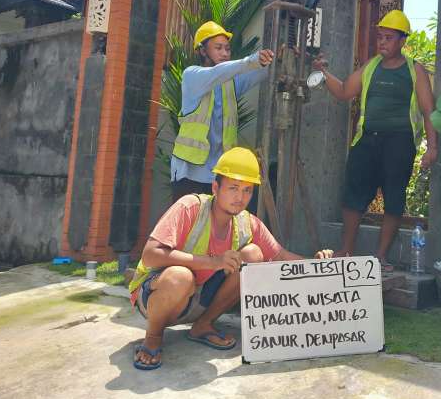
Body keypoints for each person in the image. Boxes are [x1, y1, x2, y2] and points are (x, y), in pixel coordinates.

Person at [130, 147, 333, 370]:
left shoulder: (248, 222)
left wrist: (317, 264)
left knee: (253, 254)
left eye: (247, 190)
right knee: (181, 276)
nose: (240, 197)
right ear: (216, 187)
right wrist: (213, 261)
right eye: (233, 188)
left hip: (200, 300)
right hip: (158, 298)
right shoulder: (190, 207)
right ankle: (153, 338)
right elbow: (149, 255)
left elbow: (280, 256)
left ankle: (203, 325)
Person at [312, 9, 437, 271]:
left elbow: (428, 111)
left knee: (394, 198)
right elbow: (346, 91)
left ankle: (380, 257)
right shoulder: (371, 67)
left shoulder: (415, 71)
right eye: (380, 37)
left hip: (400, 142)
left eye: (388, 38)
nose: (382, 42)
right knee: (353, 195)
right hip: (367, 141)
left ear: (403, 41)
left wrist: (432, 148)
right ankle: (345, 250)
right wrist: (323, 74)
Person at [170, 21, 274, 201]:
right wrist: (251, 61)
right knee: (189, 227)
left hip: (218, 174)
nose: (225, 53)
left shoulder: (230, 83)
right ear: (202, 51)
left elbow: (262, 72)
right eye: (218, 48)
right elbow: (220, 73)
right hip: (189, 173)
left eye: (227, 49)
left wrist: (277, 58)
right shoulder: (192, 76)